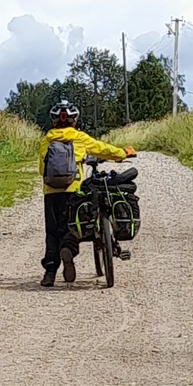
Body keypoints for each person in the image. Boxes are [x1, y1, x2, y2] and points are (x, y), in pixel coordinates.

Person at [37, 99, 134, 284]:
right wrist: (122, 153)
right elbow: (102, 149)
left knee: (52, 231)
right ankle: (69, 250)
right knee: (71, 228)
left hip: (50, 192)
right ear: (74, 120)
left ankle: (50, 272)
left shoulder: (46, 140)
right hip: (73, 190)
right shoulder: (78, 137)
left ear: (54, 121)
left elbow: (42, 170)